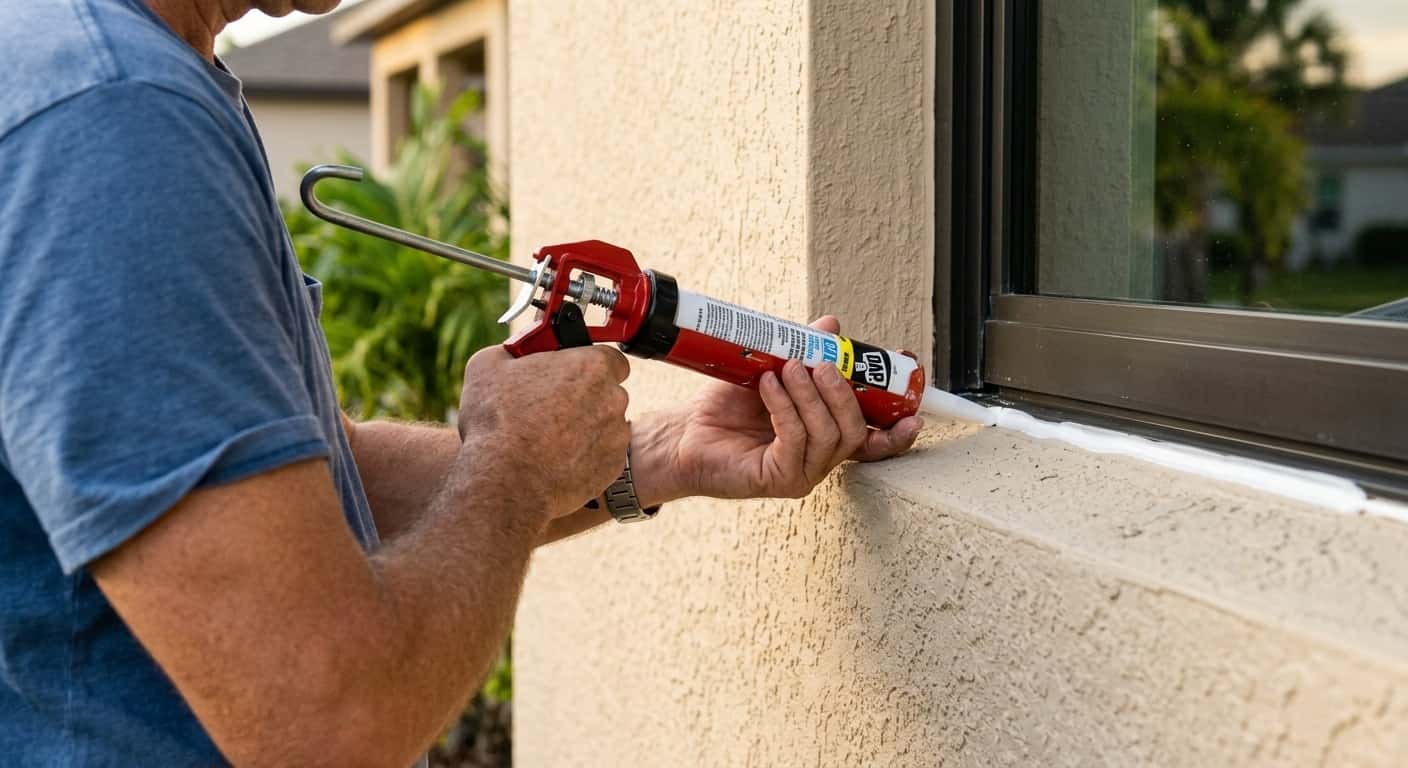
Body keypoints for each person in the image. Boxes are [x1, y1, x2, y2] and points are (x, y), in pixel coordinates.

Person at [0, 0, 924, 765]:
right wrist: (517, 466)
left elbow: (311, 489)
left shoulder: (125, 73)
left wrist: (656, 453)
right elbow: (324, 727)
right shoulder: (111, 118)